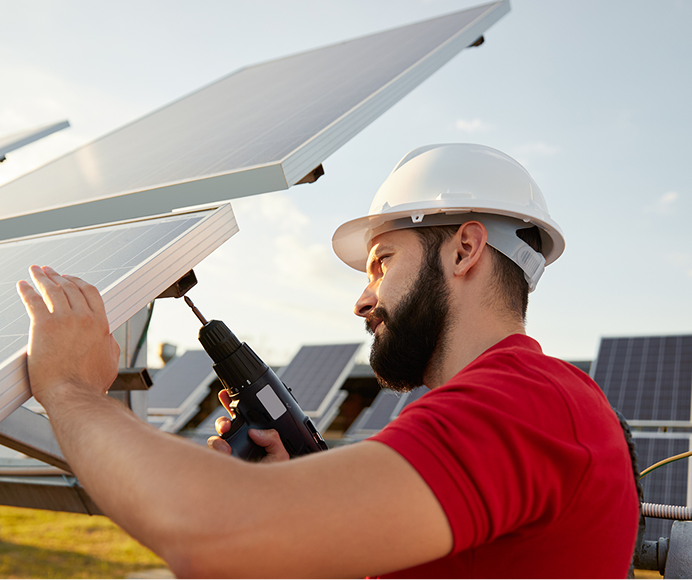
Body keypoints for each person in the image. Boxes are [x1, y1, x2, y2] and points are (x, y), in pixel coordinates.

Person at [17, 144, 638, 579]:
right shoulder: (522, 404)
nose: (363, 298)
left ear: (466, 249)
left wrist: (69, 387)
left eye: (382, 262)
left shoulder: (526, 405)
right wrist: (303, 499)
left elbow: (210, 533)